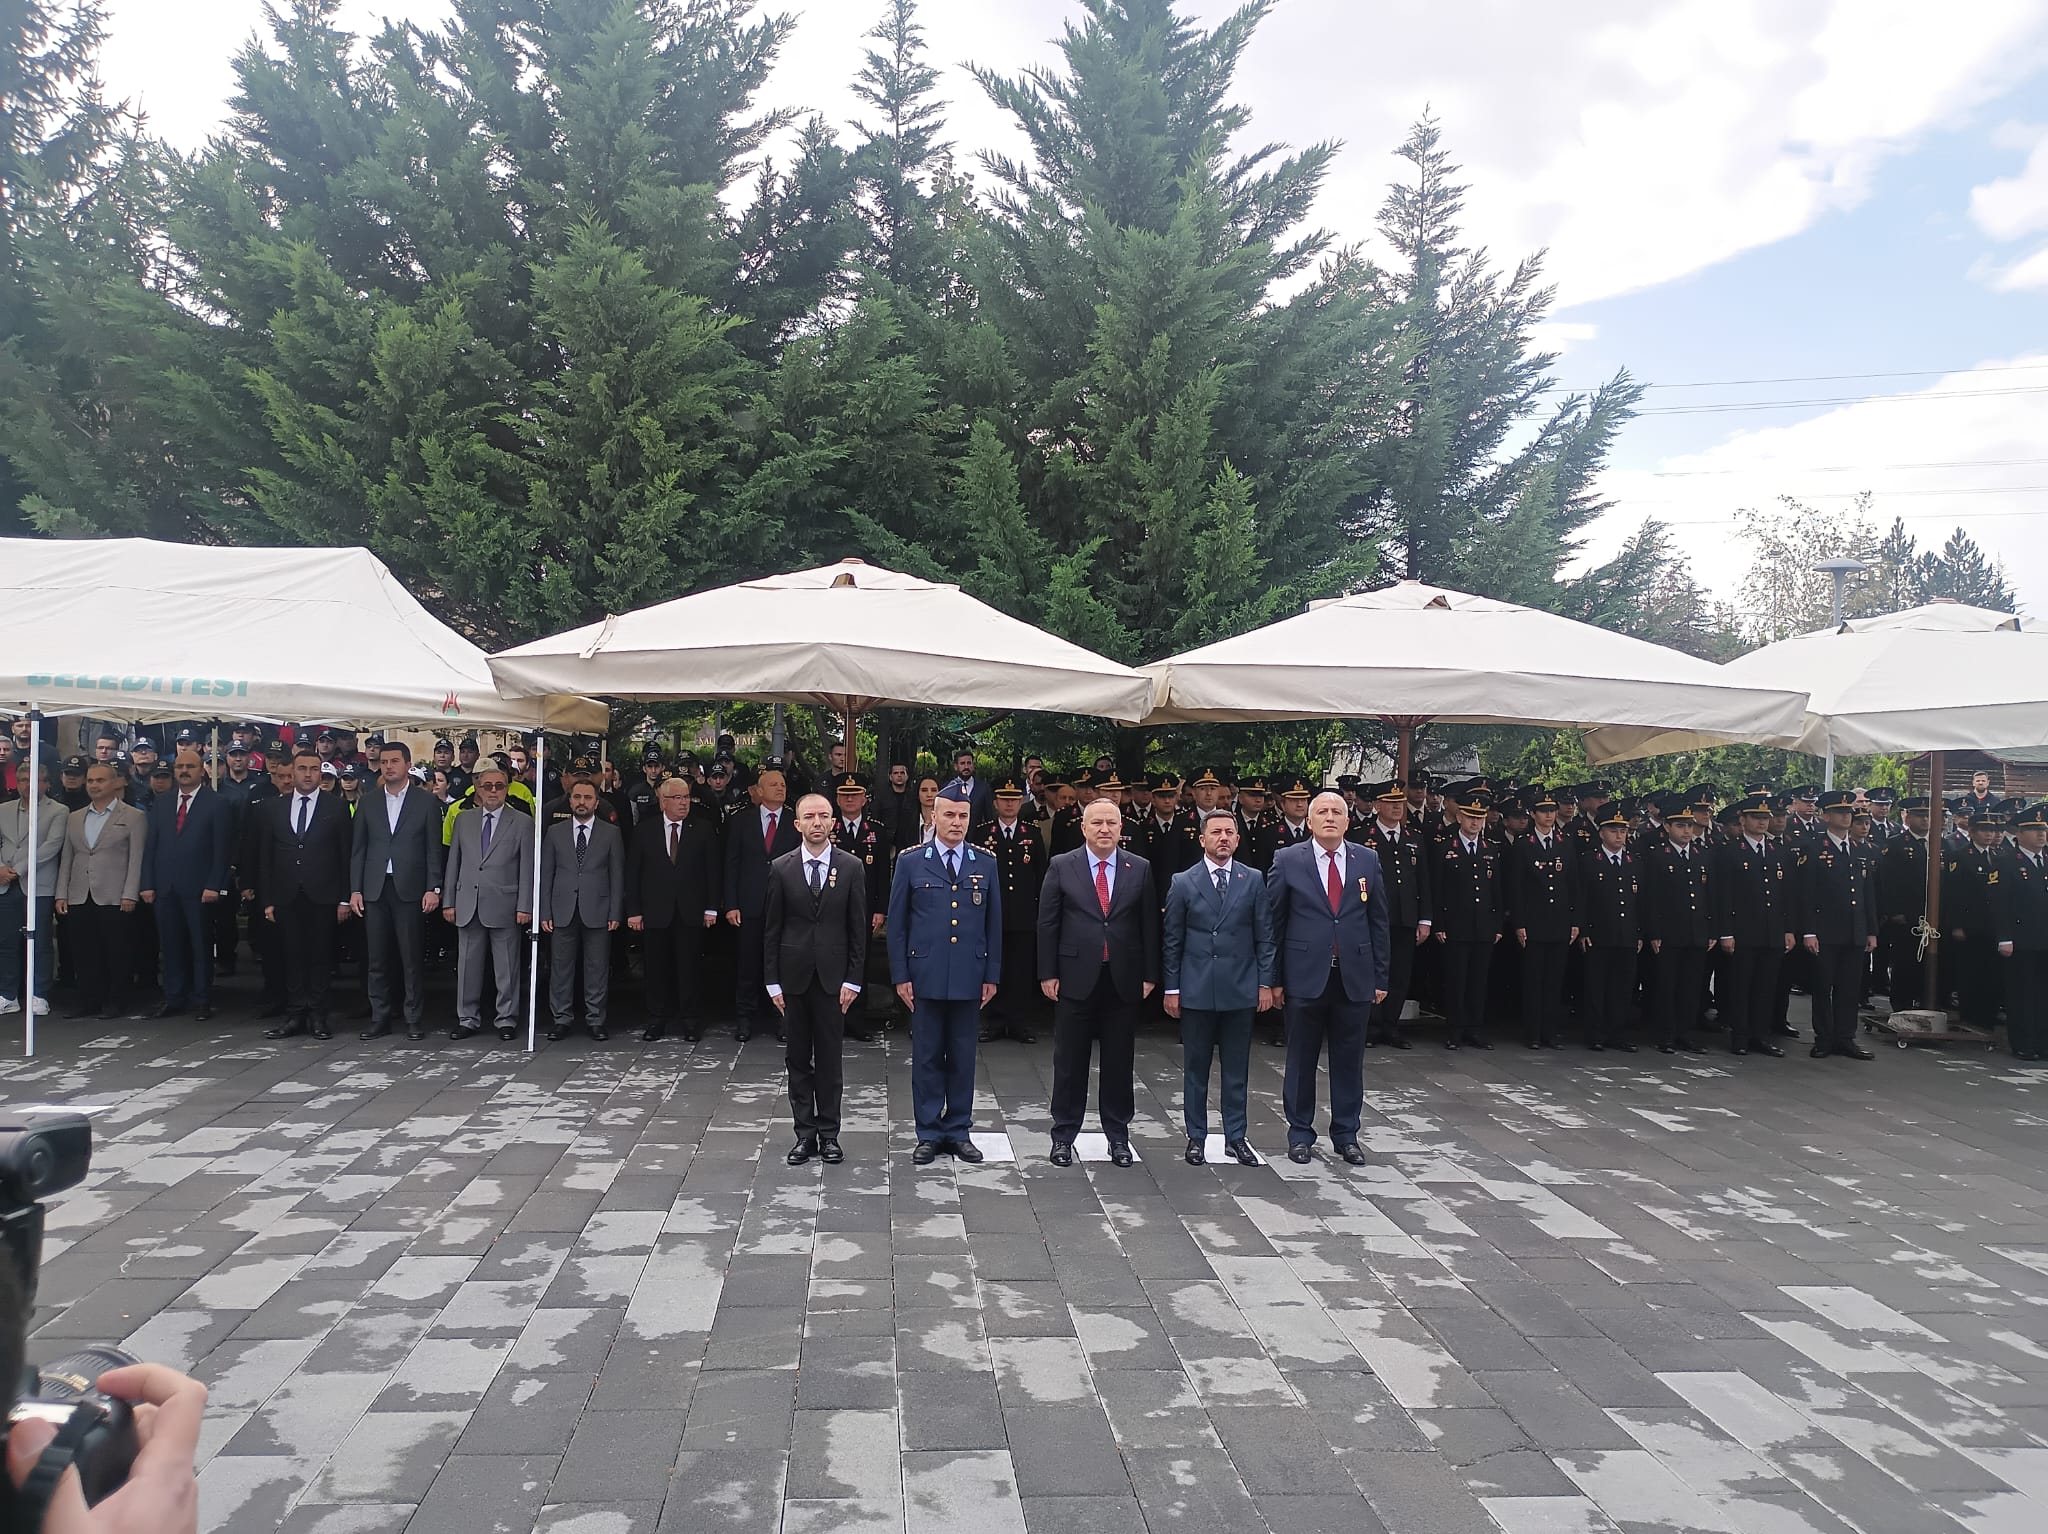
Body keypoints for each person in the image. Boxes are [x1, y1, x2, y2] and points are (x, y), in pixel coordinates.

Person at [1266, 791, 1388, 1166]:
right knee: (1300, 1059)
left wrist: (1380, 976)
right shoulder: (1288, 860)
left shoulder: (1367, 859)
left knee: (1349, 1061)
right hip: (1304, 975)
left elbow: (1378, 921)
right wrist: (1272, 978)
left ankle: (1346, 1135)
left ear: (1348, 822)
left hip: (1354, 975)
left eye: (1337, 812)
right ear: (1310, 821)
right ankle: (1300, 1134)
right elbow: (1274, 923)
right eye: (1322, 811)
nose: (1330, 817)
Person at [1038, 798, 1157, 1167]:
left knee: (1119, 1063)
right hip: (1075, 977)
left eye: (1111, 823)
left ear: (1121, 828)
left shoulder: (1139, 867)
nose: (1104, 829)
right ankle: (1063, 1135)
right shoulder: (1062, 865)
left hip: (1122, 978)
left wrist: (1150, 974)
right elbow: (1048, 923)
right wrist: (1047, 972)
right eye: (1097, 823)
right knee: (1069, 1062)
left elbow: (1149, 925)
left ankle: (1118, 1136)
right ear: (1084, 828)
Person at [889, 782, 1001, 1163]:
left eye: (963, 816)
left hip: (969, 974)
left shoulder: (984, 862)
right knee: (926, 1057)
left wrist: (992, 974)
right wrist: (900, 975)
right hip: (925, 974)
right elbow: (898, 924)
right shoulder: (911, 861)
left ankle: (958, 1130)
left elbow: (994, 924)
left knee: (963, 1056)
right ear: (933, 816)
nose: (956, 822)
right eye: (949, 814)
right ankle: (928, 1132)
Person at [1163, 808, 1275, 1165]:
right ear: (1202, 839)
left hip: (1239, 988)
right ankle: (1196, 1136)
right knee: (1195, 1069)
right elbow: (1172, 940)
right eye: (1216, 832)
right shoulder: (1183, 881)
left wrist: (1265, 983)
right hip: (1197, 988)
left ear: (1237, 840)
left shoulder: (1252, 879)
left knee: (1236, 1070)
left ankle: (1236, 1136)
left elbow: (1265, 936)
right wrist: (1172, 988)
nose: (1223, 838)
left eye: (1229, 832)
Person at [763, 794, 868, 1165]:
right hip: (792, 979)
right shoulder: (781, 867)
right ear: (798, 824)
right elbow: (771, 929)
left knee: (829, 1061)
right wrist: (772, 981)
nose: (817, 822)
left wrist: (853, 979)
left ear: (833, 822)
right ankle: (804, 1135)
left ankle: (830, 1135)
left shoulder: (851, 867)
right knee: (797, 1060)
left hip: (833, 981)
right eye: (809, 816)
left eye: (824, 816)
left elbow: (858, 929)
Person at [350, 742, 445, 1041]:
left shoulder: (426, 802)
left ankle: (413, 1017)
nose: (388, 766)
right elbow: (358, 850)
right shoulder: (368, 802)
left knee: (411, 957)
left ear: (407, 765)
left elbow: (433, 850)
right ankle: (379, 1017)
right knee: (376, 958)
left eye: (394, 761)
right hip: (375, 888)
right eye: (384, 762)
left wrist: (433, 887)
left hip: (410, 888)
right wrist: (355, 889)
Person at [259, 748, 354, 1040]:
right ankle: (295, 1013)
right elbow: (266, 856)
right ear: (292, 771)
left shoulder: (336, 807)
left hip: (323, 894)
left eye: (314, 769)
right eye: (302, 768)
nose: (308, 774)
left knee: (320, 956)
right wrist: (267, 900)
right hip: (286, 894)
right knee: (292, 956)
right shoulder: (273, 807)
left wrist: (345, 898)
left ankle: (318, 1015)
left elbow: (345, 856)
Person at [138, 747, 232, 1021]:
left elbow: (222, 850)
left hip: (199, 888)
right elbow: (151, 846)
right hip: (165, 887)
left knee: (200, 945)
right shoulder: (163, 803)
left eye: (190, 767)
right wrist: (147, 883)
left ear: (202, 770)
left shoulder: (217, 804)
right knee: (170, 945)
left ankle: (201, 999)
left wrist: (214, 884)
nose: (184, 771)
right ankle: (174, 997)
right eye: (179, 767)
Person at [625, 776, 720, 1042]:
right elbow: (633, 873)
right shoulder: (645, 830)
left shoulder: (702, 829)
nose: (683, 803)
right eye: (677, 798)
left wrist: (712, 908)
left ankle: (690, 1020)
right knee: (656, 969)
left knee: (690, 968)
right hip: (655, 912)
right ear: (662, 801)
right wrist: (634, 910)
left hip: (691, 910)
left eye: (686, 797)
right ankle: (657, 1019)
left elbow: (712, 871)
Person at [443, 765, 532, 1044]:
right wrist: (449, 901)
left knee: (507, 967)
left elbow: (527, 868)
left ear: (507, 789)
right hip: (467, 902)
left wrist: (525, 905)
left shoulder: (522, 822)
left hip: (505, 903)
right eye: (487, 786)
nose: (493, 791)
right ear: (478, 790)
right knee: (467, 966)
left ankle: (506, 1019)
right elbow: (453, 863)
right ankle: (467, 1019)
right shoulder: (463, 819)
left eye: (499, 786)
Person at [54, 762, 147, 1020]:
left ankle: (116, 1001)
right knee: (84, 951)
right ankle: (89, 1000)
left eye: (100, 780)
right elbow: (67, 858)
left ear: (115, 783)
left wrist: (130, 893)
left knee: (116, 951)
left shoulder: (133, 816)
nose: (94, 785)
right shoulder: (75, 817)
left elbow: (136, 858)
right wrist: (61, 893)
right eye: (91, 781)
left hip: (114, 894)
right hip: (79, 892)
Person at [541, 778, 625, 1042]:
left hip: (598, 908)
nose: (582, 802)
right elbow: (546, 874)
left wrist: (615, 912)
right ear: (570, 801)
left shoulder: (611, 833)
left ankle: (595, 1019)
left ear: (596, 803)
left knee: (597, 968)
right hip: (562, 908)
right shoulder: (554, 832)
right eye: (577, 797)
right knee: (560, 967)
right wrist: (544, 911)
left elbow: (617, 875)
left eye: (588, 798)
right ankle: (561, 1019)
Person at [1710, 792, 1793, 1057]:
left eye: (1765, 817)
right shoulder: (1730, 851)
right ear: (1743, 820)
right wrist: (1725, 932)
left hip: (1772, 931)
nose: (1762, 822)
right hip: (1743, 930)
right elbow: (1723, 896)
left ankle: (1760, 1035)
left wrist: (1788, 929)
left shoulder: (1778, 851)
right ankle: (1740, 1036)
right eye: (1756, 817)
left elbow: (1786, 895)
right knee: (1741, 986)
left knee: (1766, 986)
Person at [723, 761, 800, 1042]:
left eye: (782, 784)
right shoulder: (741, 821)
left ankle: (782, 1018)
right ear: (758, 790)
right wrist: (731, 903)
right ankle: (745, 1018)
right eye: (773, 784)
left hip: (786, 904)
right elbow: (731, 864)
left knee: (782, 963)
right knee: (748, 964)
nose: (780, 788)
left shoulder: (795, 822)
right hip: (749, 904)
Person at [1799, 789, 1878, 1061]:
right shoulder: (1814, 848)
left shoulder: (1859, 848)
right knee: (1823, 987)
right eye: (1839, 812)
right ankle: (1823, 1038)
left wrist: (1871, 930)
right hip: (1825, 930)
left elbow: (1867, 894)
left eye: (1848, 813)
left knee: (1849, 988)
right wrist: (1809, 931)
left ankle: (1846, 1038)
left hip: (1854, 930)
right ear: (1826, 816)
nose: (1846, 817)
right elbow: (1806, 894)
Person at [1430, 786, 1503, 1050]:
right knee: (1456, 980)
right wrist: (1439, 923)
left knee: (1478, 981)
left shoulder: (1489, 849)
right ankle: (1455, 1030)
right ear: (1459, 817)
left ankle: (1475, 1029)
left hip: (1483, 925)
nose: (1475, 822)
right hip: (1455, 925)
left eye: (1479, 817)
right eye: (1470, 817)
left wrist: (1497, 924)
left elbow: (1496, 890)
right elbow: (1437, 889)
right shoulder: (1445, 848)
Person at [975, 775, 1045, 1044]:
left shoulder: (1032, 833)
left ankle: (1018, 1023)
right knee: (995, 968)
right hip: (992, 913)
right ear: (995, 803)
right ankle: (994, 1021)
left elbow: (1041, 875)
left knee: (1020, 971)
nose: (1009, 804)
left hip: (1024, 914)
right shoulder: (983, 833)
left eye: (1014, 799)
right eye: (1004, 799)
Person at [1641, 795, 1713, 1055]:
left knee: (1691, 986)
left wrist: (1712, 930)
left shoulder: (1702, 855)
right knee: (1667, 986)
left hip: (1696, 931)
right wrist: (1654, 932)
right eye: (1680, 826)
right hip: (1669, 932)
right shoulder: (1657, 856)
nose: (1686, 831)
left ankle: (1685, 1032)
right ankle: (1666, 1034)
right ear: (1667, 827)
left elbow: (1710, 896)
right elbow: (1651, 898)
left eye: (1689, 825)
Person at [1509, 785, 1578, 1049]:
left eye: (1552, 810)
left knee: (1554, 980)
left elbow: (1573, 884)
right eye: (1543, 811)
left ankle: (1550, 1031)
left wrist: (1575, 921)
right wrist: (1520, 923)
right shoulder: (1523, 845)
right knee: (1533, 980)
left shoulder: (1565, 843)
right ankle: (1533, 1032)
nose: (1549, 815)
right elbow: (1516, 888)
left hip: (1559, 922)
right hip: (1534, 922)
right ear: (1533, 814)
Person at [828, 770, 891, 1044]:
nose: (850, 799)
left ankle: (856, 1021)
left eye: (855, 795)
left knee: (859, 963)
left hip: (864, 908)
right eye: (845, 795)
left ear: (865, 799)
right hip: (832, 908)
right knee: (832, 963)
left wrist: (880, 909)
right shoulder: (829, 827)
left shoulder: (876, 830)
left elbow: (882, 874)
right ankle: (833, 1021)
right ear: (837, 799)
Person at [0, 760, 66, 1017]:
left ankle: (39, 994)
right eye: (23, 780)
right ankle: (8, 994)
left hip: (37, 884)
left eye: (35, 780)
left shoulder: (58, 811)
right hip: (6, 885)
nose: (28, 785)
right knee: (6, 942)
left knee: (39, 942)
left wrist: (18, 869)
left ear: (46, 784)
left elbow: (51, 846)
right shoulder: (3, 809)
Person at [1577, 800, 1641, 1051]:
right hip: (1599, 933)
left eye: (1623, 831)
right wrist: (1583, 929)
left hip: (1627, 934)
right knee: (1597, 986)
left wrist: (1640, 932)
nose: (1619, 836)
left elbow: (1641, 901)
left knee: (1622, 987)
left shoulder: (1634, 861)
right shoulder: (1589, 860)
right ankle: (1595, 1033)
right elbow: (1582, 897)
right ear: (1602, 833)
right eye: (1613, 831)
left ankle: (1618, 1033)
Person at [1995, 802, 2048, 1062]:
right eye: (2035, 830)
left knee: (2043, 995)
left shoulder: (2045, 862)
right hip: (2021, 940)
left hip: (2044, 940)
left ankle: (2043, 1042)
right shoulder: (2007, 862)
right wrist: (2004, 937)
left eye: (2044, 830)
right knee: (2022, 994)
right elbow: (1999, 904)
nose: (2041, 835)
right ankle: (2024, 1043)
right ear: (2020, 834)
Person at [1877, 796, 1932, 1009]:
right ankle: (1901, 1006)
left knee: (1929, 964)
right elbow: (1887, 882)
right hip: (1906, 916)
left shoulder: (1941, 845)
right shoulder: (1896, 844)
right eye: (1919, 816)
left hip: (1932, 916)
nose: (1925, 820)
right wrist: (1894, 912)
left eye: (1927, 815)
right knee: (1904, 962)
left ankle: (1925, 1003)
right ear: (1907, 818)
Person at [944, 747, 994, 827]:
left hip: (976, 834)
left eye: (969, 763)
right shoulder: (947, 787)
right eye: (962, 763)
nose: (966, 767)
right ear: (956, 766)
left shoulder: (983, 789)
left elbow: (989, 817)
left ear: (973, 766)